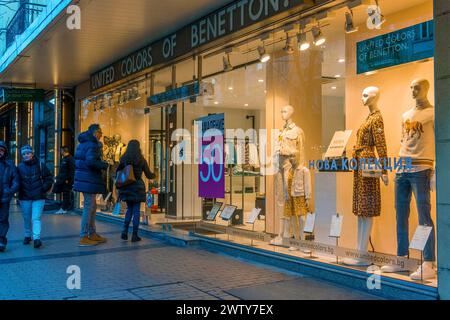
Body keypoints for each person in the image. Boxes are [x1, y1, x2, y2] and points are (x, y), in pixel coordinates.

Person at [74, 124, 108, 247]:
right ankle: (84, 236)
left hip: (85, 179)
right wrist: (103, 165)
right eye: (100, 132)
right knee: (89, 207)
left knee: (92, 207)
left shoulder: (83, 143)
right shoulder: (92, 144)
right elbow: (91, 161)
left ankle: (92, 233)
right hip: (88, 179)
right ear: (95, 132)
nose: (101, 135)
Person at [117, 140, 155, 242]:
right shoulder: (141, 159)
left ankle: (124, 231)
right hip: (138, 187)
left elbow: (117, 172)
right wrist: (155, 175)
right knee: (136, 210)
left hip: (127, 186)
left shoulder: (124, 158)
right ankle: (135, 235)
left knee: (129, 209)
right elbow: (148, 175)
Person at [17, 145, 53, 249]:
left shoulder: (41, 165)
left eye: (28, 153)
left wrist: (43, 188)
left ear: (32, 154)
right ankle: (27, 235)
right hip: (24, 197)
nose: (26, 155)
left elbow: (49, 178)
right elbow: (15, 180)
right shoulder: (19, 167)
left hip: (38, 197)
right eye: (24, 154)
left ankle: (37, 238)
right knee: (27, 218)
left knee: (36, 218)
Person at [0, 141, 20, 253]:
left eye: (1, 150)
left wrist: (9, 191)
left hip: (4, 198)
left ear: (5, 152)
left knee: (3, 219)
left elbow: (16, 181)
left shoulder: (10, 164)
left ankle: (1, 240)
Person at [54, 146, 75, 214]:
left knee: (66, 194)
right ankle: (64, 207)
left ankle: (64, 208)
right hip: (63, 180)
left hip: (66, 180)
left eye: (61, 150)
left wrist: (69, 180)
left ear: (63, 151)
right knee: (64, 194)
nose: (60, 152)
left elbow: (72, 170)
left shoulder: (70, 159)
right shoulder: (64, 159)